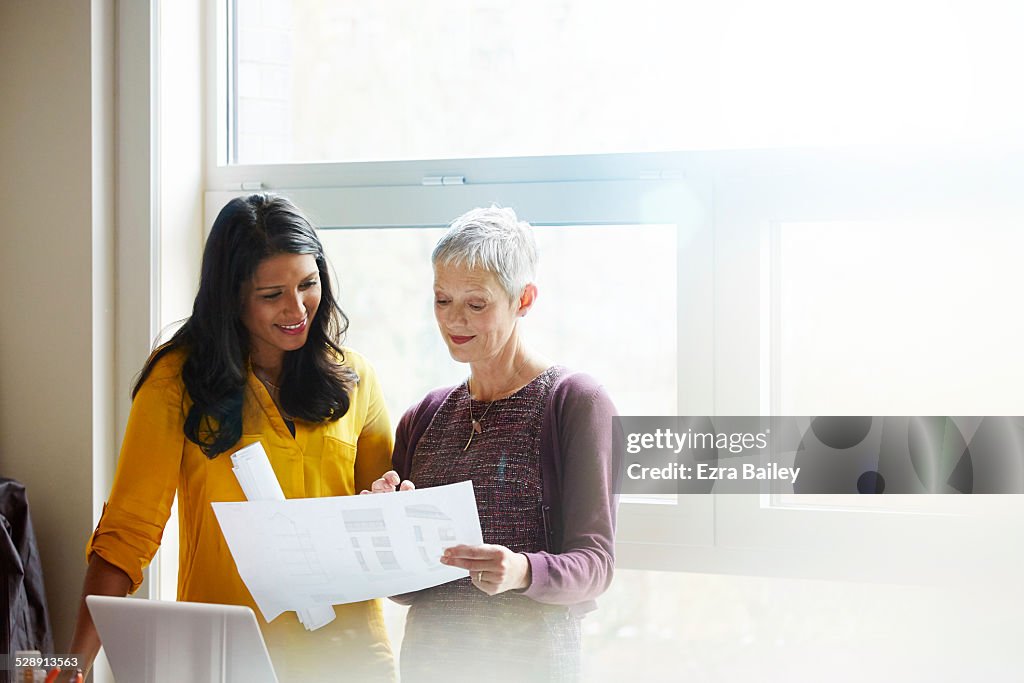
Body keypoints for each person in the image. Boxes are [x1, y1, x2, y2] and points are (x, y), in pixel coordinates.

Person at [61, 194, 395, 681]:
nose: (297, 308)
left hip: (351, 657)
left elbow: (381, 519)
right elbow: (127, 535)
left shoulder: (355, 377)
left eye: (308, 283)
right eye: (271, 294)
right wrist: (72, 665)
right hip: (228, 657)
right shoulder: (176, 380)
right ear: (232, 295)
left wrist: (390, 503)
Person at [367, 206, 618, 682]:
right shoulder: (424, 418)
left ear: (524, 299)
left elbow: (596, 564)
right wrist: (386, 533)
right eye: (442, 300)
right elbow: (405, 590)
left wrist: (523, 570)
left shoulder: (575, 402)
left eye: (476, 304)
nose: (454, 320)